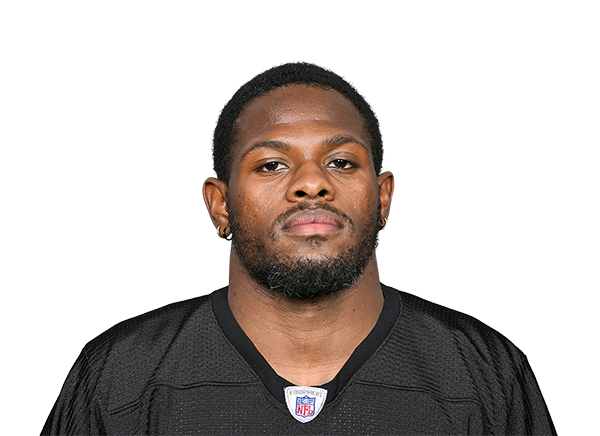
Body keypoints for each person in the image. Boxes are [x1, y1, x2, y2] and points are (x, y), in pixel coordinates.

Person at [41, 60, 557, 435]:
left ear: (382, 197)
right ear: (220, 204)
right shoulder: (120, 374)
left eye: (341, 163)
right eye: (271, 164)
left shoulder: (484, 372)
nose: (311, 183)